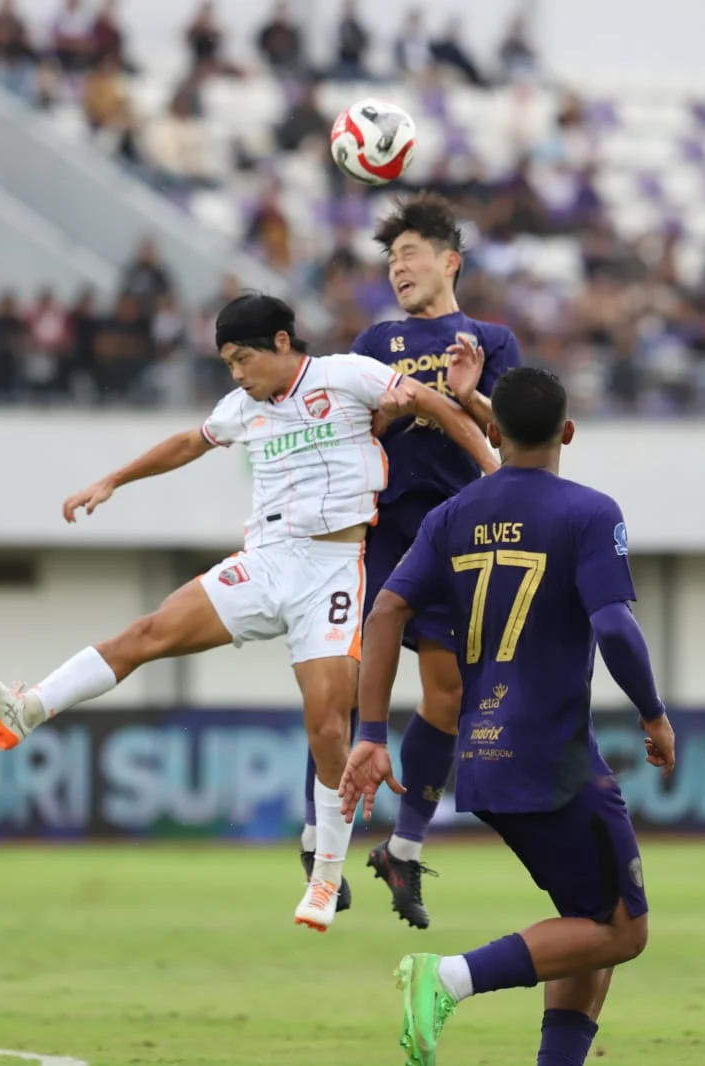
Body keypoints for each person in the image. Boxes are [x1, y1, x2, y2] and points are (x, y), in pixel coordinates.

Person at [0, 293, 497, 932]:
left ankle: (325, 879)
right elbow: (188, 443)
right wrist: (112, 480)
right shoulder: (243, 407)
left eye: (243, 358)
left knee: (329, 725)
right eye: (226, 363)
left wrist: (493, 472)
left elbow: (434, 404)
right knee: (149, 631)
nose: (237, 374)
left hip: (332, 571)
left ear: (281, 342)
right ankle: (27, 709)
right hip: (266, 559)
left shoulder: (344, 375)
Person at [339, 367, 676, 1066]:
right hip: (553, 757)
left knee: (588, 923)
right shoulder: (589, 512)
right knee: (623, 931)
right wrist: (654, 714)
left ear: (492, 432)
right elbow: (614, 628)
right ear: (569, 433)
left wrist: (371, 733)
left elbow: (385, 611)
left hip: (482, 753)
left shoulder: (451, 515)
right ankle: (448, 978)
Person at [299, 192, 522, 929]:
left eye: (411, 254)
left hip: (461, 535)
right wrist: (395, 408)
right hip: (386, 529)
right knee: (352, 678)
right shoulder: (373, 344)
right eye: (391, 259)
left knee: (448, 697)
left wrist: (468, 396)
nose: (398, 268)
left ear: (449, 260)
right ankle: (316, 834)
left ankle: (403, 846)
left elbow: (521, 433)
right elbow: (345, 425)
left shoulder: (492, 339)